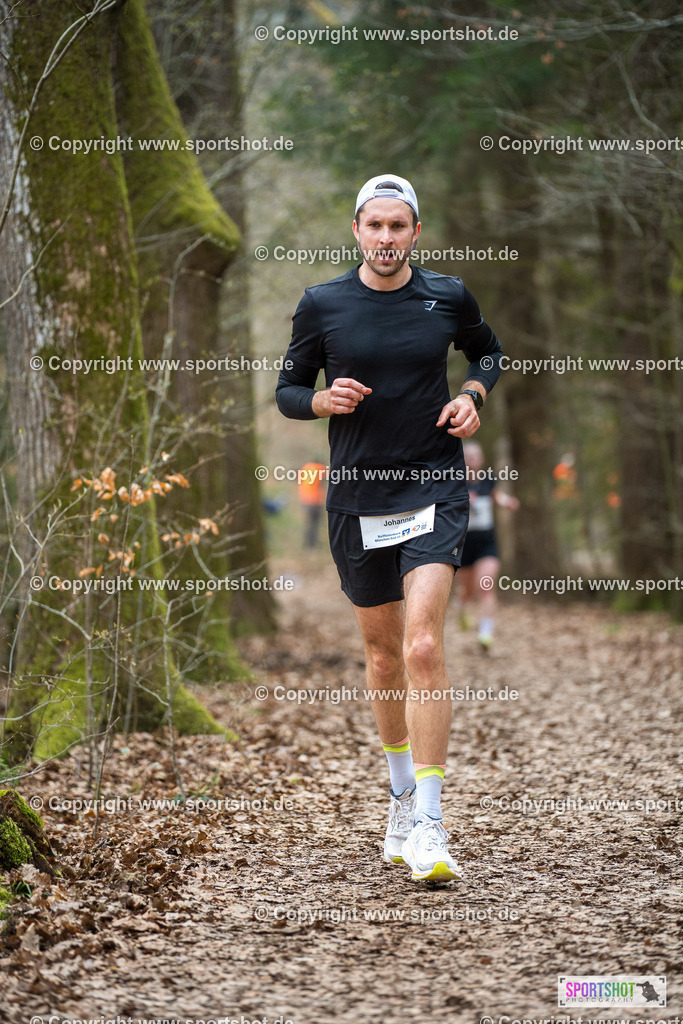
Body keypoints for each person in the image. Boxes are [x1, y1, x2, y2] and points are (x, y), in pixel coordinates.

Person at [275, 174, 504, 883]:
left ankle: (431, 823)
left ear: (414, 232)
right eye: (373, 225)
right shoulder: (322, 303)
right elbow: (287, 391)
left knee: (424, 644)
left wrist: (473, 393)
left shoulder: (447, 295)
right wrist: (320, 402)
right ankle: (401, 798)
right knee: (382, 659)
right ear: (356, 230)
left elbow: (489, 353)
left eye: (397, 225)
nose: (384, 237)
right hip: (356, 497)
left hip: (433, 484)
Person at [457, 442, 519, 650]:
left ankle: (485, 632)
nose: (471, 460)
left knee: (485, 585)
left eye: (474, 456)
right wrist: (464, 502)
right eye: (467, 456)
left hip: (486, 544)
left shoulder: (488, 481)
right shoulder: (455, 483)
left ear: (481, 459)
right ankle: (461, 606)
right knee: (468, 591)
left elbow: (497, 496)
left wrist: (507, 502)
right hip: (464, 544)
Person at [298, 459, 326, 549]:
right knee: (315, 523)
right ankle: (312, 544)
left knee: (308, 523)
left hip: (305, 500)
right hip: (315, 501)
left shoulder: (305, 468)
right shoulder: (320, 468)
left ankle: (306, 543)